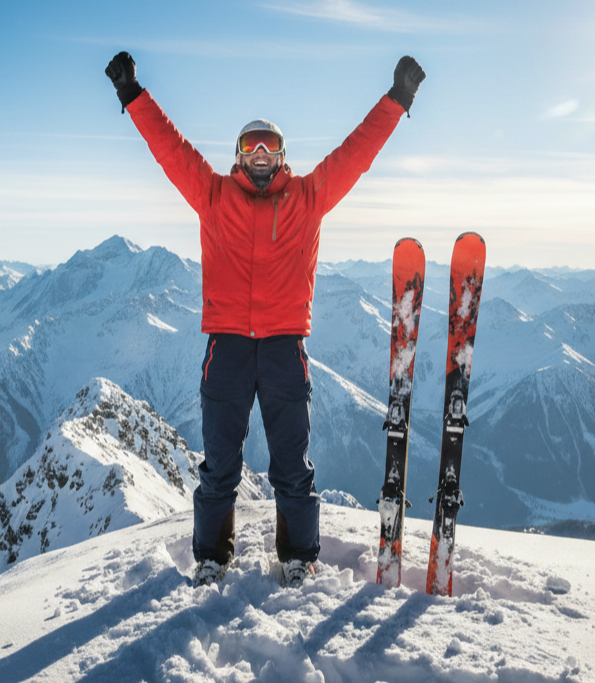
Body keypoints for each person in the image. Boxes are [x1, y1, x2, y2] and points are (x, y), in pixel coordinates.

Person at [105, 51, 425, 587]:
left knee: (292, 467)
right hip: (226, 347)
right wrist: (133, 94)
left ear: (282, 157)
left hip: (283, 347)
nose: (259, 154)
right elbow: (171, 149)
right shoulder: (212, 196)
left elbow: (355, 153)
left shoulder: (308, 198)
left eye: (270, 146)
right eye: (251, 146)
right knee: (219, 467)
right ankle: (211, 557)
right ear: (237, 156)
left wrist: (397, 99)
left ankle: (298, 556)